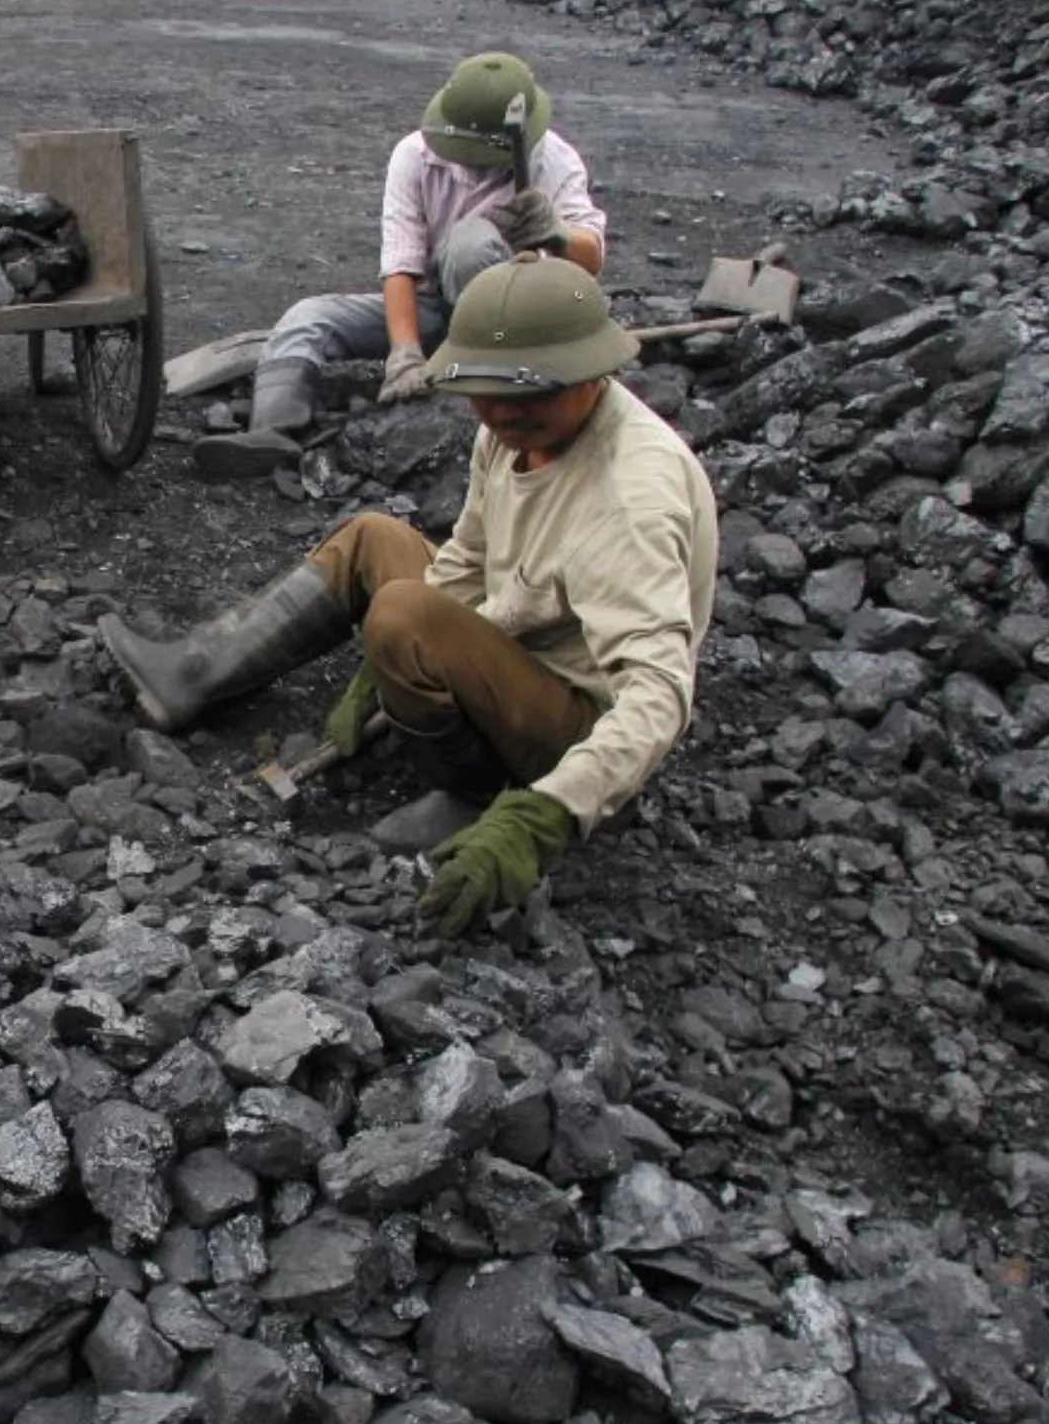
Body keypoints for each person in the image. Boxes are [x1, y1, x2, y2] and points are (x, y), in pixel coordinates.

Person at [102, 254, 717, 937]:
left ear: (592, 371)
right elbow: (470, 557)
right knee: (375, 539)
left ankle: (477, 792)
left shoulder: (630, 500)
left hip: (581, 728)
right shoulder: (512, 422)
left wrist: (548, 817)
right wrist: (377, 673)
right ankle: (193, 675)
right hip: (522, 634)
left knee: (401, 611)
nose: (500, 413)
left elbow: (660, 696)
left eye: (528, 396)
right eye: (485, 393)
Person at [192, 50, 607, 476]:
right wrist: (404, 353)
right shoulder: (415, 156)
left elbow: (590, 260)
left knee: (471, 243)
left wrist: (556, 233)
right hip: (433, 309)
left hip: (516, 323)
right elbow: (400, 264)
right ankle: (272, 431)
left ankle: (486, 382)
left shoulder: (553, 159)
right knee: (308, 316)